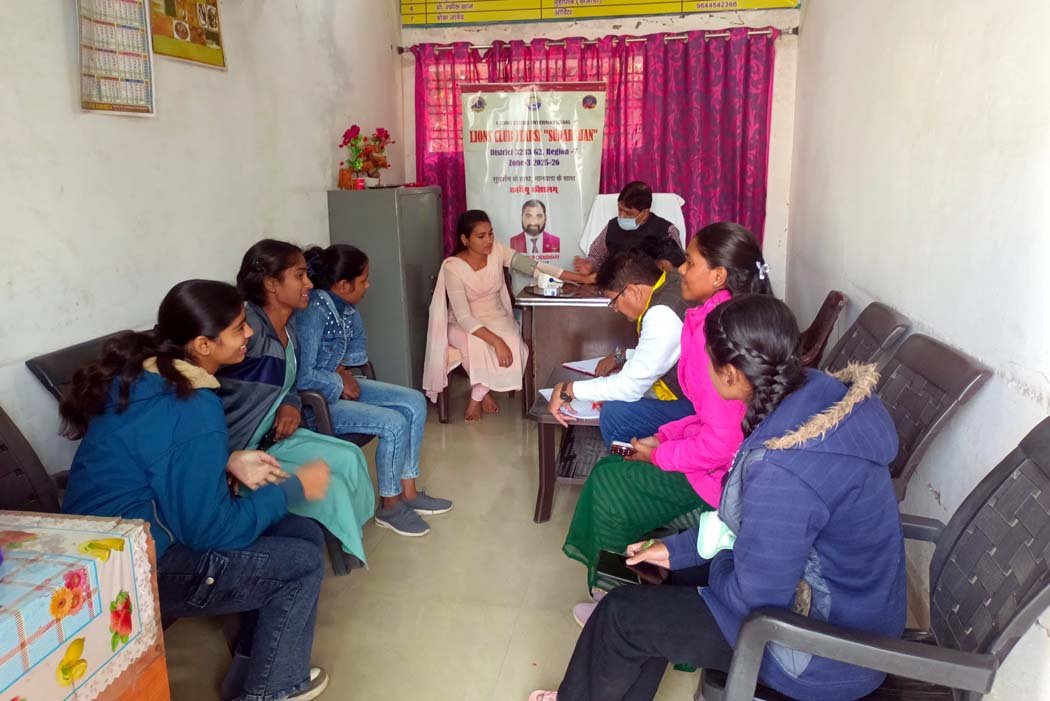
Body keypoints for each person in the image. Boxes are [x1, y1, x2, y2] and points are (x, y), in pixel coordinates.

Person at [530, 295, 906, 701]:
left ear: (729, 375)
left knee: (620, 617)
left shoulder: (784, 468)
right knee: (655, 579)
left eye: (705, 361)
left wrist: (712, 556)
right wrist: (677, 551)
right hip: (844, 608)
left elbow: (755, 597)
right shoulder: (811, 393)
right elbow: (751, 526)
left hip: (819, 650)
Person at [61, 280, 334, 701]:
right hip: (129, 569)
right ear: (204, 345)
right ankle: (272, 690)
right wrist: (294, 487)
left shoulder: (148, 375)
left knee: (305, 534)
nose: (249, 335)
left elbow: (161, 455)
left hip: (122, 540)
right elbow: (214, 531)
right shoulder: (192, 403)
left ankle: (256, 669)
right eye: (240, 327)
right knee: (300, 563)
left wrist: (225, 459)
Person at [562, 222, 771, 592]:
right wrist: (664, 438)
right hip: (716, 453)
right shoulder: (712, 316)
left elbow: (722, 442)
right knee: (615, 463)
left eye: (689, 263)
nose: (679, 269)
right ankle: (623, 568)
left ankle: (617, 594)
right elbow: (710, 416)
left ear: (719, 275)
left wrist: (661, 454)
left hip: (722, 476)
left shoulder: (721, 338)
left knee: (610, 485)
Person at [217, 239, 376, 567]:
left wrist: (289, 404)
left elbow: (286, 379)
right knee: (328, 482)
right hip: (242, 450)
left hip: (272, 437)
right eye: (300, 276)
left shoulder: (289, 327)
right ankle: (334, 551)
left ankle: (348, 541)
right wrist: (225, 461)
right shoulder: (250, 331)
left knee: (348, 457)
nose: (309, 284)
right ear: (272, 284)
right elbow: (222, 392)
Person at [296, 244, 453, 537]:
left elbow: (356, 355)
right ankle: (390, 505)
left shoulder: (346, 308)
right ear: (344, 285)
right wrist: (339, 380)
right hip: (314, 403)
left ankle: (408, 492)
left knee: (414, 402)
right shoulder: (313, 312)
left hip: (336, 384)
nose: (368, 285)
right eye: (364, 279)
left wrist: (341, 373)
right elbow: (303, 376)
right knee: (393, 423)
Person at [423, 210, 588, 422]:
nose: (489, 240)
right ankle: (480, 396)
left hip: (496, 316)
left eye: (490, 234)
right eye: (481, 236)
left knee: (513, 343)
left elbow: (536, 268)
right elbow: (464, 317)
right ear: (465, 239)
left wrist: (581, 278)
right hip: (463, 322)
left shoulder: (498, 251)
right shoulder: (453, 267)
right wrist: (495, 340)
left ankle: (479, 392)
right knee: (476, 344)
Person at [547, 249, 694, 441]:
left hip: (696, 407)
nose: (615, 309)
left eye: (613, 301)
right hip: (695, 395)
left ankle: (628, 465)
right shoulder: (669, 283)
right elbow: (662, 355)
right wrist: (622, 355)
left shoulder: (661, 313)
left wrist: (568, 390)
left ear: (633, 291)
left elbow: (631, 386)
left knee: (615, 414)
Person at [574, 181, 685, 280]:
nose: (621, 216)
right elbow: (596, 256)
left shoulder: (666, 230)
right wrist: (589, 265)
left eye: (628, 213)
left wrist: (665, 266)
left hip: (652, 291)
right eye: (620, 210)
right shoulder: (611, 226)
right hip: (613, 287)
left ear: (645, 212)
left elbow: (678, 267)